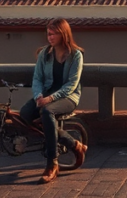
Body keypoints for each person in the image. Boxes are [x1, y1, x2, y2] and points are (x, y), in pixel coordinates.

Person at [20, 18, 87, 183]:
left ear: (63, 34)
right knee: (25, 113)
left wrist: (51, 98)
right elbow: (37, 79)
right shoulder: (45, 53)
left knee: (47, 112)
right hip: (46, 95)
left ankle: (52, 163)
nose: (50, 37)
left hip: (68, 97)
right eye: (48, 34)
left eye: (53, 34)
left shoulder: (75, 55)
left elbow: (72, 84)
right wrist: (38, 96)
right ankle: (74, 144)